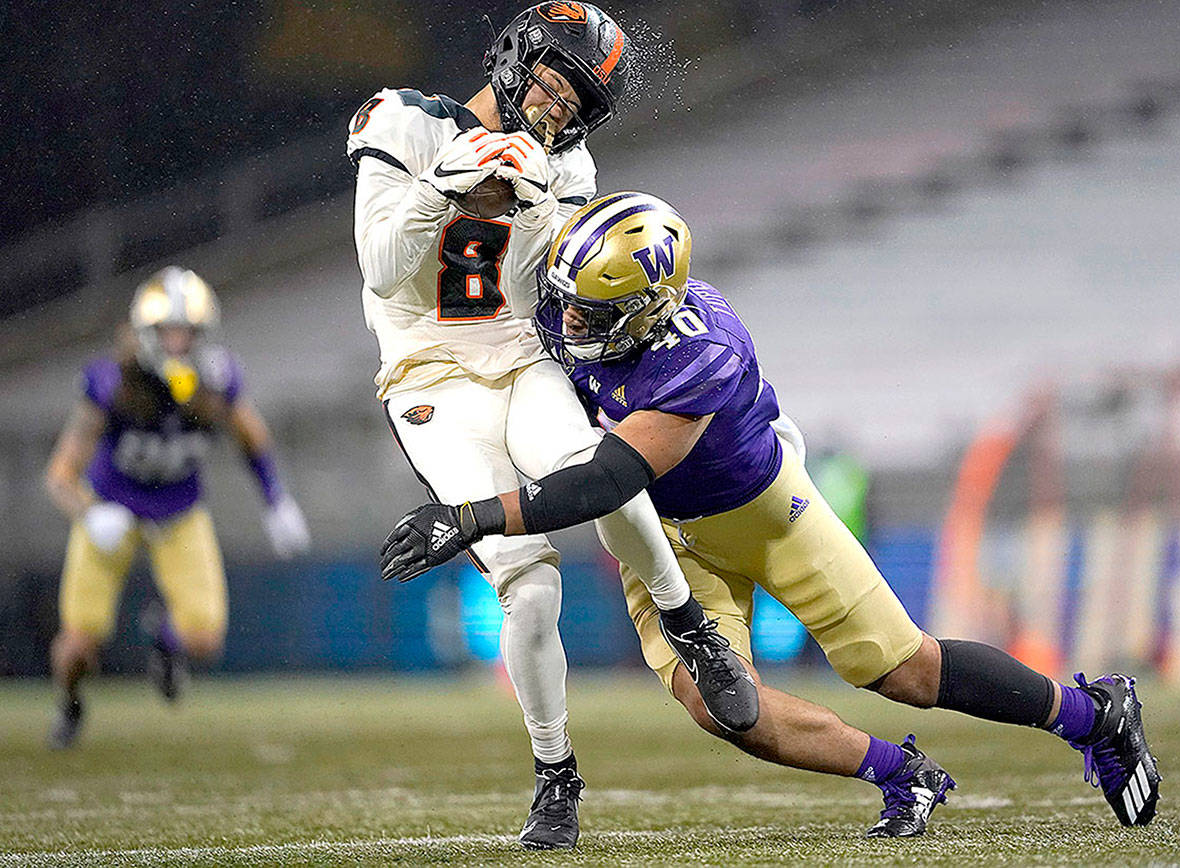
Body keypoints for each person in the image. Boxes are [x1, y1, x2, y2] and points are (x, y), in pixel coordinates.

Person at [379, 192, 1164, 836]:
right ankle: (904, 775)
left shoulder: (700, 350)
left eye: (593, 313)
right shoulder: (570, 309)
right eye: (569, 305)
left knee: (904, 671)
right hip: (665, 543)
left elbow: (607, 480)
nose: (569, 324)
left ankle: (1092, 716)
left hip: (762, 512)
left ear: (650, 307)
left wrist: (471, 516)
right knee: (724, 708)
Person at [349, 3, 757, 850]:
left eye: (579, 98)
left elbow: (552, 291)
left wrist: (534, 204)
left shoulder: (567, 165)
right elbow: (384, 268)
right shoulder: (402, 122)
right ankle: (556, 773)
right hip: (429, 375)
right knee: (528, 584)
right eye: (555, 78)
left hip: (519, 357)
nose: (560, 105)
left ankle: (691, 627)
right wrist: (446, 185)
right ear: (515, 53)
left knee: (597, 469)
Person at [45, 266, 310, 749]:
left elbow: (252, 439)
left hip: (178, 511)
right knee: (79, 645)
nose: (179, 342)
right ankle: (70, 704)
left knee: (204, 639)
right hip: (113, 510)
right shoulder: (112, 382)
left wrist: (277, 501)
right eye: (168, 331)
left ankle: (165, 645)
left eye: (188, 332)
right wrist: (89, 512)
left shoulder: (217, 380)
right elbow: (59, 475)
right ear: (145, 333)